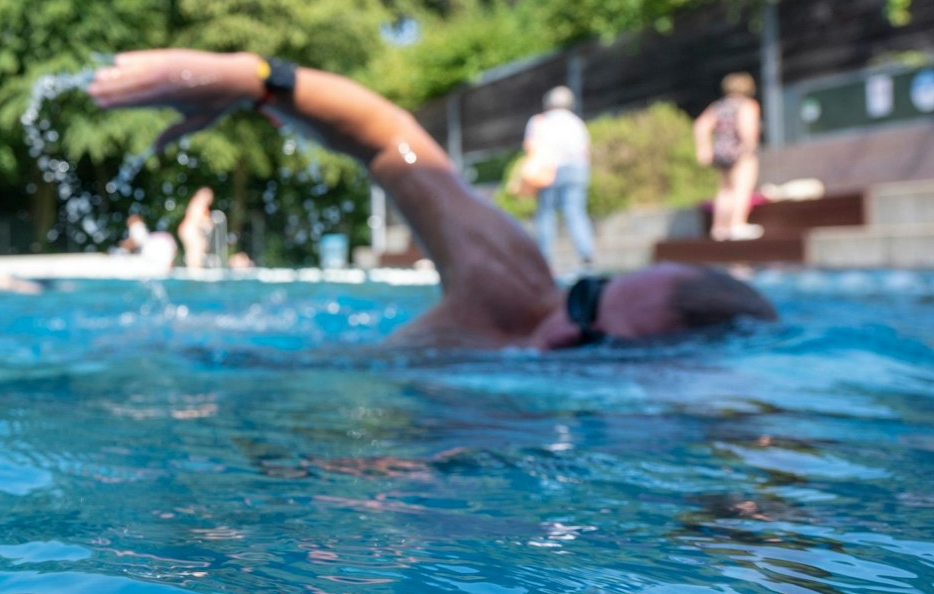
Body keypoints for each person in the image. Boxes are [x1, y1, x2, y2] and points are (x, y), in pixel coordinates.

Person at [87, 50, 776, 349]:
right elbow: (391, 140)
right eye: (584, 298)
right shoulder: (513, 285)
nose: (565, 328)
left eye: (591, 343)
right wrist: (256, 77)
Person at [522, 86, 596, 269]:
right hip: (577, 169)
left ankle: (544, 258)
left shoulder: (540, 122)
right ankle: (586, 252)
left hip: (550, 170)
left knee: (546, 212)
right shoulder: (576, 123)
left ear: (548, 103)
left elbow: (530, 146)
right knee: (575, 211)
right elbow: (586, 150)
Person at [695, 74, 764, 241]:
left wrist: (704, 148)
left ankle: (719, 228)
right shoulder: (747, 105)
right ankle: (737, 224)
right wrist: (749, 148)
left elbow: (700, 125)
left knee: (725, 190)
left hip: (721, 152)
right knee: (742, 188)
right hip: (739, 151)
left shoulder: (718, 106)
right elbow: (747, 128)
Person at [179, 187, 216, 269]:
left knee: (195, 250)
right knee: (196, 250)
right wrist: (207, 223)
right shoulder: (199, 204)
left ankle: (194, 268)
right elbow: (196, 219)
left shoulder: (197, 203)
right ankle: (195, 269)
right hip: (190, 229)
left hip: (190, 229)